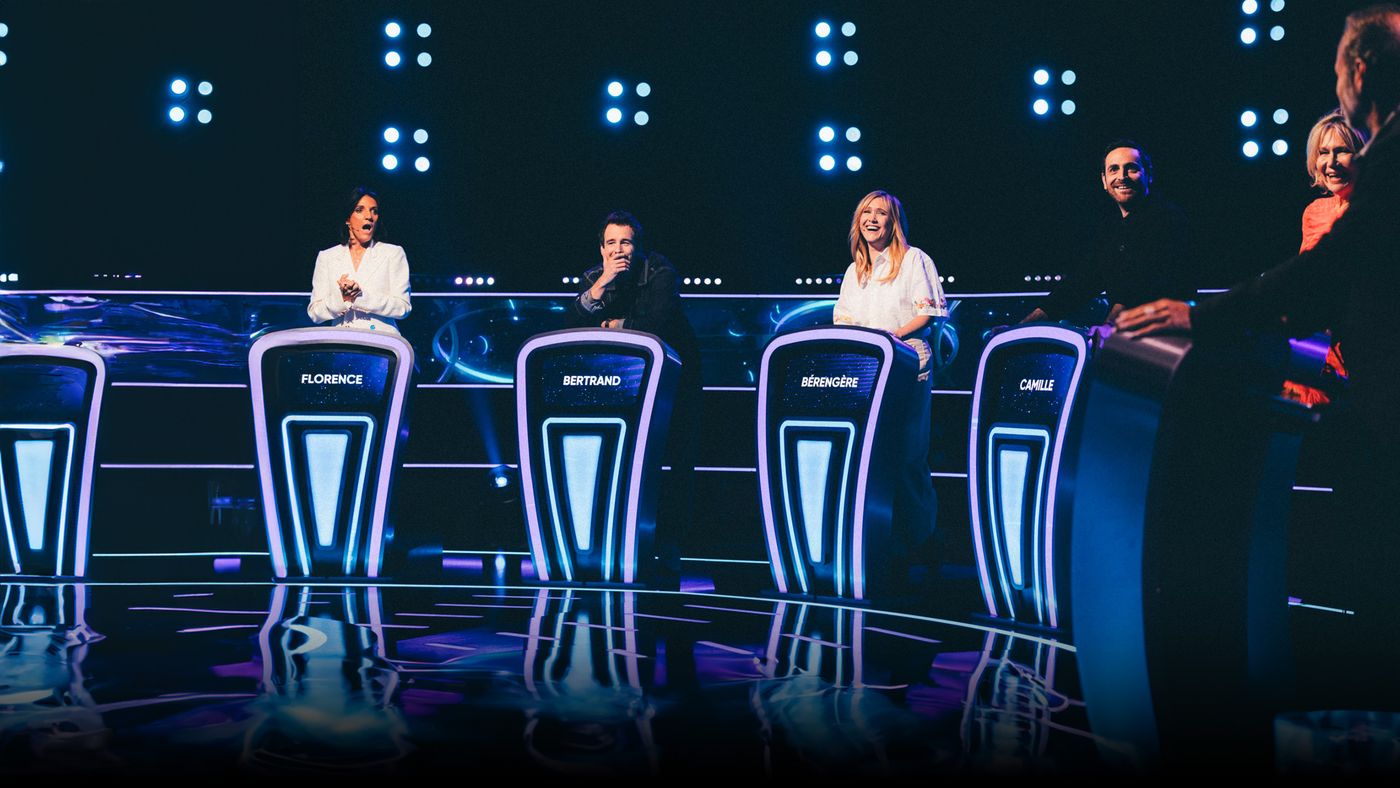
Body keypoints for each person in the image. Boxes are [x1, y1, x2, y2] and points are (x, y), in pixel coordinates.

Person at [1118, 4, 1400, 683]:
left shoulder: (1390, 156)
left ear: (1360, 71)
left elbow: (1326, 276)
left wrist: (1202, 317)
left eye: (1338, 70)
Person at [570, 211, 699, 585]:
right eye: (611, 243)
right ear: (602, 249)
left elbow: (657, 322)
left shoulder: (660, 271)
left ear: (637, 246)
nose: (618, 250)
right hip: (623, 387)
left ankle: (669, 550)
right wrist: (603, 283)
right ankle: (619, 545)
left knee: (673, 466)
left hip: (674, 384)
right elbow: (571, 323)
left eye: (625, 242)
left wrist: (616, 326)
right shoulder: (595, 277)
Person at [833, 190, 948, 581]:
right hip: (867, 374)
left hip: (908, 368)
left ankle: (923, 542)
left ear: (893, 222)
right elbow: (843, 321)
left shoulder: (915, 260)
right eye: (866, 212)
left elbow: (927, 314)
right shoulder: (855, 271)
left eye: (880, 213)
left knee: (909, 459)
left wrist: (888, 340)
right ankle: (886, 544)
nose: (872, 218)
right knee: (873, 461)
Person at [1023, 140, 1195, 325]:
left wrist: (1109, 327)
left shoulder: (1169, 219)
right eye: (1114, 169)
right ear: (1104, 181)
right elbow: (1079, 284)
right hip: (1134, 334)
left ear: (1149, 175)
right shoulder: (1111, 230)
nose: (1122, 177)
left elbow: (1139, 285)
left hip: (1167, 336)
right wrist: (1022, 326)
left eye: (1131, 168)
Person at [1283, 111, 1368, 405]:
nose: (1331, 162)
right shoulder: (1314, 212)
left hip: (1365, 356)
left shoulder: (1378, 210)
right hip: (1317, 353)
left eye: (1341, 151)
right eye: (1323, 152)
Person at [307, 187, 412, 334]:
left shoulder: (393, 253)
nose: (369, 216)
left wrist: (360, 297)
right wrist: (343, 298)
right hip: (341, 340)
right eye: (359, 210)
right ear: (348, 219)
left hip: (381, 341)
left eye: (374, 211)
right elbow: (315, 313)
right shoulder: (327, 257)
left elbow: (403, 307)